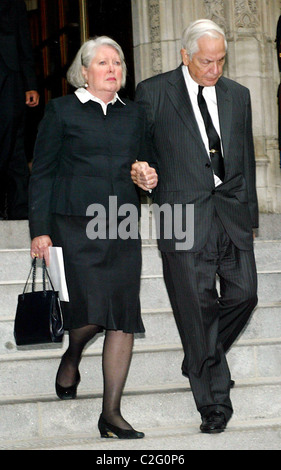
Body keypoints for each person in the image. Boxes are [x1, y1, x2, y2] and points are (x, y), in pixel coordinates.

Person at [131, 19, 258, 434]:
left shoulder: (238, 95)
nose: (214, 69)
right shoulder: (153, 92)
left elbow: (247, 160)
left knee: (245, 295)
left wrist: (250, 215)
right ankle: (214, 405)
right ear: (185, 56)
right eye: (206, 61)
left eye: (220, 60)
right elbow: (139, 153)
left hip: (231, 213)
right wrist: (142, 175)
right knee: (197, 308)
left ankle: (199, 356)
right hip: (181, 215)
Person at [29, 36, 157, 439]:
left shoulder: (134, 115)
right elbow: (44, 172)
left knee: (120, 315)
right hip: (73, 224)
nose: (112, 68)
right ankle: (73, 353)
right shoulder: (61, 111)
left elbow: (145, 166)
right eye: (103, 62)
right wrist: (40, 230)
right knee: (89, 310)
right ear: (83, 72)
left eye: (117, 62)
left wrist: (147, 178)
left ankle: (111, 414)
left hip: (119, 222)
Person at [0, 0, 39, 220]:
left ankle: (20, 210)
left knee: (14, 140)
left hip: (10, 74)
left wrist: (29, 83)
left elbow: (23, 38)